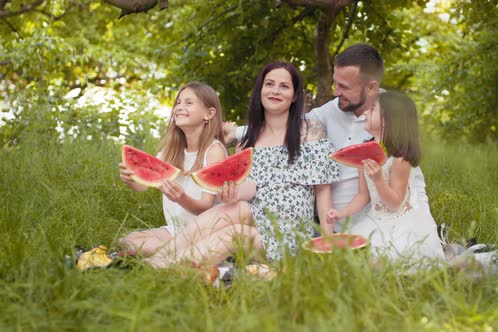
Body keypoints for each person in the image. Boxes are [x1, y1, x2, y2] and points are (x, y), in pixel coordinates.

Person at [144, 61, 339, 269]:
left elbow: (323, 193)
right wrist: (230, 193)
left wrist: (327, 245)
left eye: (284, 86)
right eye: (269, 84)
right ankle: (155, 263)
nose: (275, 90)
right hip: (254, 218)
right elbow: (251, 188)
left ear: (295, 95)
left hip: (289, 234)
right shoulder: (247, 141)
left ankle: (163, 270)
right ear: (260, 90)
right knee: (233, 208)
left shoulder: (311, 132)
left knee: (232, 233)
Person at [225, 43, 431, 233]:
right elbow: (286, 125)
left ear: (371, 88)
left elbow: (409, 184)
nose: (335, 91)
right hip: (327, 222)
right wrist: (237, 133)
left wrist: (419, 226)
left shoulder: (393, 118)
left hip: (374, 223)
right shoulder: (329, 111)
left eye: (344, 87)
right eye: (335, 83)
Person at [326, 91, 444, 264]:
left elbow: (395, 203)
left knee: (389, 261)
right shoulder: (365, 151)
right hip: (375, 219)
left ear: (388, 119)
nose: (365, 112)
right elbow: (363, 196)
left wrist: (379, 180)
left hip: (401, 223)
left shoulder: (399, 159)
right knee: (352, 259)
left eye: (372, 109)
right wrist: (341, 213)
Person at [117, 82, 228, 256]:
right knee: (124, 240)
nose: (180, 107)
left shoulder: (214, 151)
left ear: (209, 113)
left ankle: (186, 253)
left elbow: (206, 207)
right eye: (178, 102)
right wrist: (131, 178)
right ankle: (178, 253)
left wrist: (180, 198)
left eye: (189, 103)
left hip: (202, 231)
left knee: (140, 247)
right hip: (175, 229)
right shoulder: (171, 151)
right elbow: (142, 186)